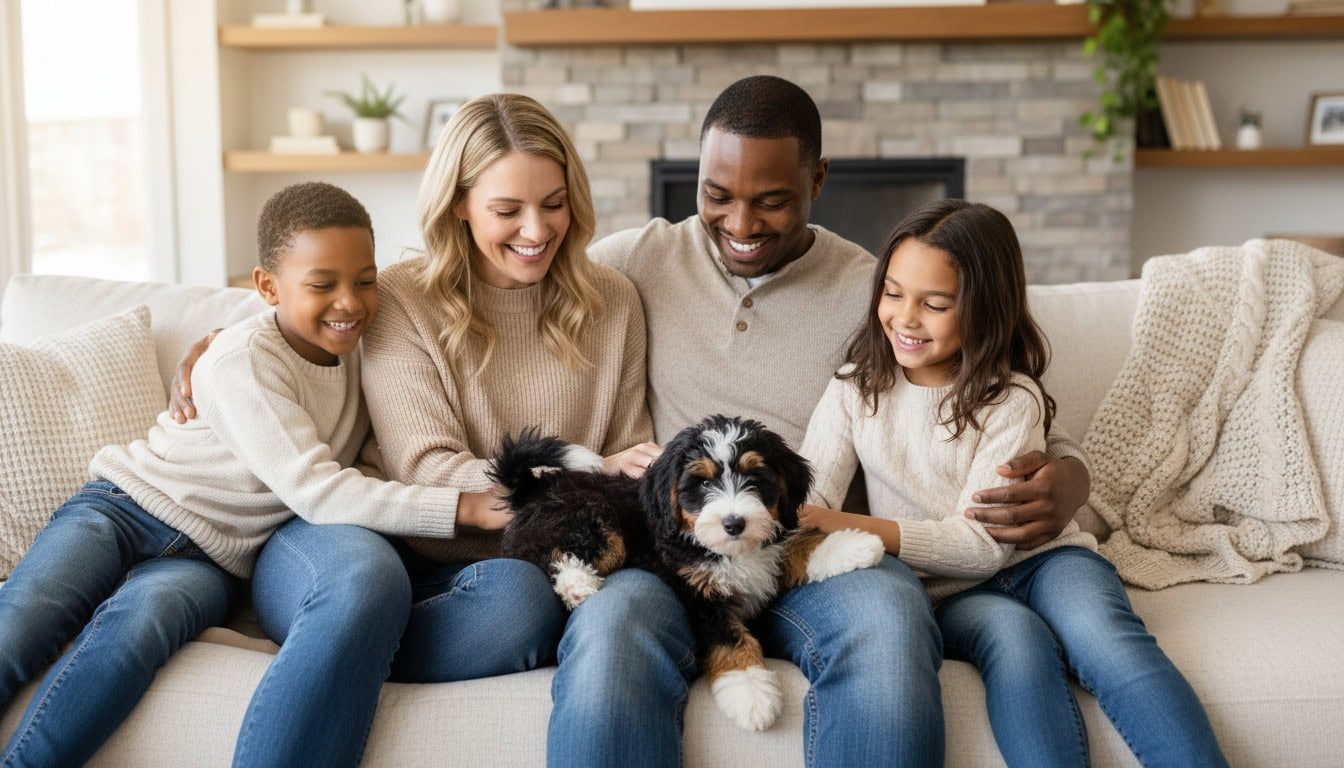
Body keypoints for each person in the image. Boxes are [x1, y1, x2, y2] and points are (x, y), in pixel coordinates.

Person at [587, 74, 1094, 765]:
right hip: (681, 558)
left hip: (815, 550)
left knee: (889, 618)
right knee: (610, 624)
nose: (740, 225)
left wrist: (1070, 474)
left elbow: (999, 388)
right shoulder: (638, 258)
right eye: (717, 196)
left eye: (770, 201)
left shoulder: (878, 291)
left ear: (817, 179)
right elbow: (515, 280)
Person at [172, 94, 676, 767]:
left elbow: (630, 463)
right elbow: (427, 469)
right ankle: (349, 642)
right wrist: (223, 342)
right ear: (459, 204)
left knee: (525, 607)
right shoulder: (402, 297)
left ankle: (352, 654)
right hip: (386, 541)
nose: (537, 229)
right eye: (507, 210)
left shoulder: (614, 301)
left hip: (512, 571)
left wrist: (596, 481)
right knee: (365, 590)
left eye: (553, 203)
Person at [0, 181, 460, 767]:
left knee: (134, 634)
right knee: (23, 621)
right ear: (267, 286)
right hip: (124, 508)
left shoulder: (378, 358)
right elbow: (318, 488)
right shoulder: (240, 355)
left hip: (212, 561)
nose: (350, 301)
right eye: (323, 284)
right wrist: (459, 506)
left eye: (365, 281)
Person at [798, 198, 1227, 767]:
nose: (905, 317)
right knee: (1018, 644)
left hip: (1043, 559)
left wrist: (844, 525)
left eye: (935, 303)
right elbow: (812, 498)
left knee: (1108, 641)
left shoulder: (1009, 398)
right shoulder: (856, 387)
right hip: (947, 590)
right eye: (893, 292)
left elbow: (981, 547)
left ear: (985, 309)